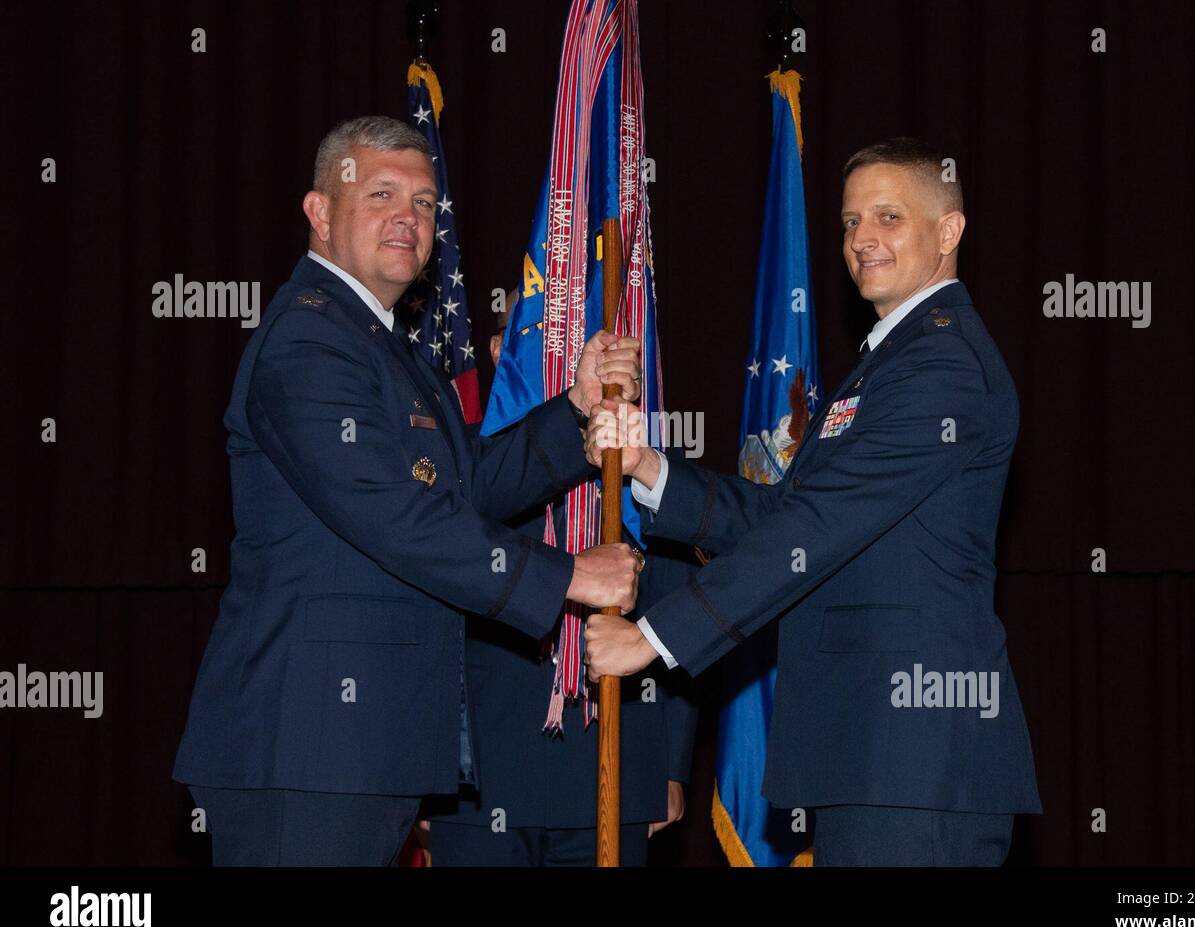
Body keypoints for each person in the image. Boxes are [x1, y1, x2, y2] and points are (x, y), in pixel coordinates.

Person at [173, 116, 644, 866]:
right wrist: (568, 578)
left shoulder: (381, 342)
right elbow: (392, 515)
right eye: (381, 193)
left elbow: (463, 487)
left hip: (361, 748)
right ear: (319, 213)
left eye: (424, 203)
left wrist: (578, 410)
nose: (408, 217)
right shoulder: (308, 340)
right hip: (308, 748)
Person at [584, 137, 1042, 866]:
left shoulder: (942, 363)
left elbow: (820, 523)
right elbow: (790, 513)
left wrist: (655, 641)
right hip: (871, 755)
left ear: (948, 232)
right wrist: (649, 469)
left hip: (913, 759)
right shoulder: (887, 360)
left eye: (889, 218)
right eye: (851, 221)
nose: (863, 239)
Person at [418, 292, 697, 866]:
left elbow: (680, 606)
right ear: (499, 352)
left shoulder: (639, 457)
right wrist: (422, 761)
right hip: (481, 774)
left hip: (613, 756)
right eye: (547, 343)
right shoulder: (460, 462)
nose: (576, 362)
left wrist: (670, 766)